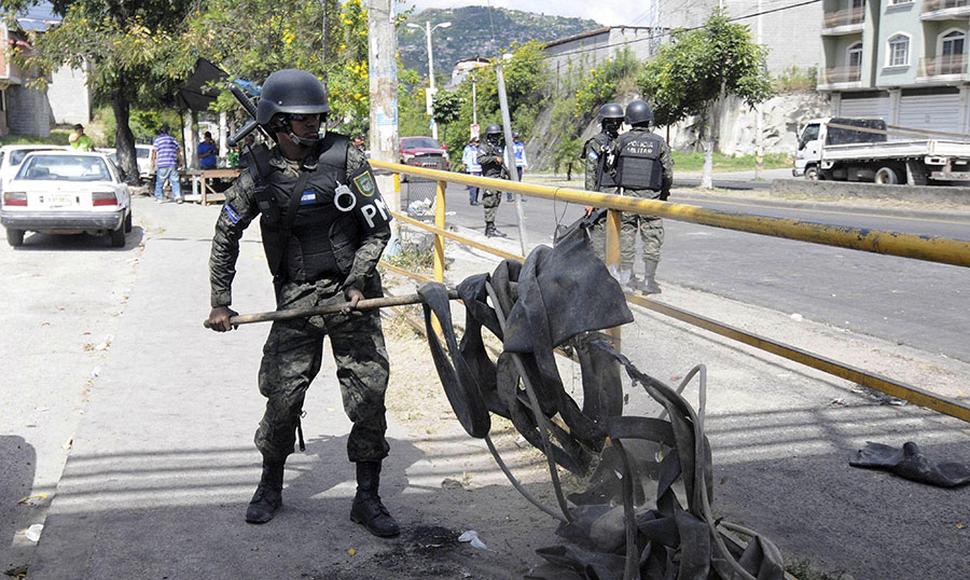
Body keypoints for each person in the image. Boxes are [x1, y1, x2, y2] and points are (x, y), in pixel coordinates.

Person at [206, 68, 398, 538]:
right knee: (283, 395)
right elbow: (226, 233)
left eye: (317, 117)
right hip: (296, 298)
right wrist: (221, 300)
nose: (313, 126)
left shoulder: (346, 157)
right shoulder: (258, 171)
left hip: (353, 296)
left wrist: (357, 282)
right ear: (276, 123)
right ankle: (270, 486)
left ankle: (367, 498)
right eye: (301, 119)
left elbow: (378, 230)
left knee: (369, 394)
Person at [607, 99, 673, 294]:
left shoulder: (622, 140)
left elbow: (611, 167)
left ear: (630, 119)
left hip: (627, 199)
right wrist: (663, 194)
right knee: (652, 239)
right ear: (648, 119)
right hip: (650, 202)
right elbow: (668, 173)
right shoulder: (659, 142)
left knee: (627, 239)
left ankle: (627, 279)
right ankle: (649, 282)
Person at [583, 103, 624, 262]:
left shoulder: (598, 142)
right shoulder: (619, 142)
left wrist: (589, 198)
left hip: (607, 193)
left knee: (602, 232)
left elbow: (590, 172)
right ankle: (608, 266)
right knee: (610, 231)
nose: (615, 125)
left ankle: (605, 265)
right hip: (613, 192)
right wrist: (589, 199)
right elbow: (592, 172)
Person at [476, 124, 510, 238]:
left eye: (498, 135)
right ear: (489, 136)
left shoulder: (498, 147)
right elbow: (480, 159)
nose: (496, 137)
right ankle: (490, 228)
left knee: (496, 202)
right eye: (494, 135)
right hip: (490, 178)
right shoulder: (484, 147)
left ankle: (491, 227)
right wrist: (494, 159)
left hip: (499, 177)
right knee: (489, 202)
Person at [151, 126, 183, 204]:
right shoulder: (173, 140)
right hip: (172, 163)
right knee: (175, 181)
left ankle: (159, 197)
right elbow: (178, 151)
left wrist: (153, 163)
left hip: (162, 163)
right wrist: (180, 161)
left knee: (160, 182)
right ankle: (178, 197)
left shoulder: (158, 140)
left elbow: (154, 152)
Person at [461, 136, 482, 205]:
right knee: (473, 185)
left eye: (478, 142)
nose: (477, 143)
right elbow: (464, 158)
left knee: (478, 185)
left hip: (479, 168)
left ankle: (475, 199)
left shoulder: (480, 149)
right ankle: (472, 200)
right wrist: (465, 165)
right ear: (472, 142)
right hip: (472, 168)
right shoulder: (468, 148)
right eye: (476, 142)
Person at [510, 131, 528, 200]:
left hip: (519, 165)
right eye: (515, 137)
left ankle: (519, 196)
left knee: (519, 181)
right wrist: (508, 166)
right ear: (512, 138)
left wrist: (525, 165)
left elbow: (523, 155)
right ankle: (511, 196)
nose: (516, 139)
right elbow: (506, 155)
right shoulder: (509, 145)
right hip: (512, 166)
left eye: (517, 137)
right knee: (512, 181)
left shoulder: (521, 145)